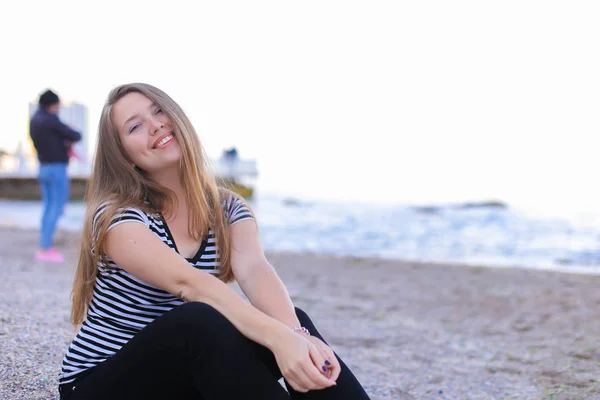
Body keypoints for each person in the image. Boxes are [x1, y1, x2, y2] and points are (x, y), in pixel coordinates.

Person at [58, 83, 369, 400]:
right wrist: (279, 338)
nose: (155, 125)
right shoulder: (118, 218)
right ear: (123, 155)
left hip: (181, 378)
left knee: (292, 320)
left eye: (159, 111)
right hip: (98, 385)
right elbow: (189, 283)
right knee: (202, 320)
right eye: (135, 126)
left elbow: (254, 269)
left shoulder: (227, 208)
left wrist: (296, 337)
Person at [30, 89, 82, 263]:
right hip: (57, 168)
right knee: (57, 207)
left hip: (43, 168)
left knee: (47, 207)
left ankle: (44, 243)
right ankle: (46, 248)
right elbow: (76, 136)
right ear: (53, 104)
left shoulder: (34, 120)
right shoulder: (51, 120)